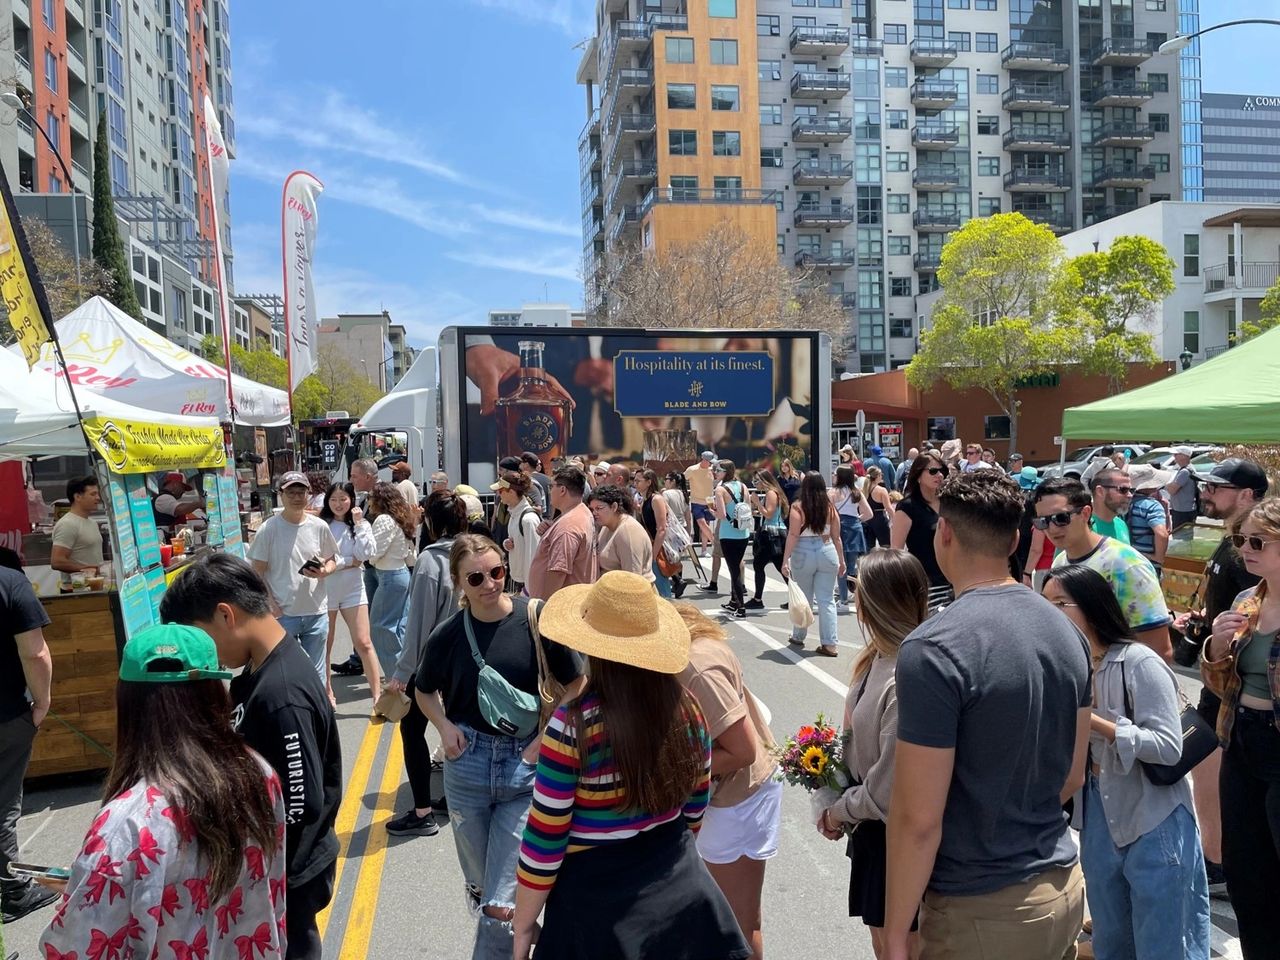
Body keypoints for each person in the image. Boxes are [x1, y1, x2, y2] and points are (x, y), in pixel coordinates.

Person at [883, 470, 1091, 960]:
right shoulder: (1066, 631)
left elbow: (917, 818)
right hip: (1062, 881)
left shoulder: (934, 647)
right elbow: (1073, 773)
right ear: (1016, 539)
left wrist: (895, 933)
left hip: (981, 904)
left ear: (945, 533)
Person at [513, 571, 750, 960]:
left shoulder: (572, 726)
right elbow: (693, 811)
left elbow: (545, 840)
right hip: (681, 889)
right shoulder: (687, 708)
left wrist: (523, 925)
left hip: (596, 907)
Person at [36, 623, 287, 960]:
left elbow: (73, 949)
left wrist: (90, 888)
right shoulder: (259, 772)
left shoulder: (126, 825)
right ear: (215, 692)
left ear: (127, 703)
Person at [159, 556, 342, 960]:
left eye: (200, 638)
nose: (203, 654)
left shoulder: (281, 694)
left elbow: (300, 803)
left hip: (289, 871)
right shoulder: (258, 670)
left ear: (225, 614)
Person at [414, 535, 585, 960]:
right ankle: (541, 941)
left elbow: (577, 682)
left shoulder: (534, 618)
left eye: (497, 572)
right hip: (467, 766)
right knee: (485, 887)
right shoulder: (448, 635)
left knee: (499, 904)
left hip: (524, 767)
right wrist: (444, 726)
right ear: (459, 584)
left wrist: (544, 741)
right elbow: (423, 690)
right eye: (476, 577)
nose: (490, 583)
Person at [1043, 565, 1210, 960]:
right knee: (1112, 940)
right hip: (1098, 814)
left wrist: (1095, 721)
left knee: (1167, 944)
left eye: (1060, 604)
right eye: (1044, 604)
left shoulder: (1138, 662)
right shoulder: (1069, 665)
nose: (1049, 613)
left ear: (1091, 607)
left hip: (1154, 817)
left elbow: (1169, 747)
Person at [819, 550, 928, 959]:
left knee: (901, 949)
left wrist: (837, 810)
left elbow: (889, 787)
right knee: (883, 946)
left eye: (857, 590)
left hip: (894, 835)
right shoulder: (877, 657)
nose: (853, 598)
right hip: (872, 831)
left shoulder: (905, 673)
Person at [1175, 458, 1268, 892]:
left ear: (1249, 495)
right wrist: (1204, 626)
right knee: (1209, 774)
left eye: (1218, 487)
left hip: (1238, 695)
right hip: (1219, 682)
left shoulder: (1254, 558)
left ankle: (1220, 863)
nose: (1207, 493)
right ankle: (1221, 860)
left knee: (1211, 773)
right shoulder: (1230, 542)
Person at [1201, 497, 1280, 958]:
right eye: (1239, 540)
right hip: (1241, 740)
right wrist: (1217, 645)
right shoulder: (1246, 601)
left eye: (1257, 541)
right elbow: (1220, 681)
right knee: (1247, 872)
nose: (1244, 550)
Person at [677, 603, 780, 960]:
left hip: (736, 799)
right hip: (724, 796)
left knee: (736, 922)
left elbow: (742, 751)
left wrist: (670, 771)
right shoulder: (691, 652)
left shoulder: (694, 666)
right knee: (727, 917)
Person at [386, 491, 469, 836]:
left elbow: (419, 624)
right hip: (468, 657)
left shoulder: (430, 561)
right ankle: (456, 797)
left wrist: (402, 673)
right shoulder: (472, 553)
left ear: (431, 522)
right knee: (461, 726)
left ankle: (422, 813)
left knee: (413, 731)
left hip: (433, 663)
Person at [1034, 478, 1173, 661]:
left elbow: (1159, 650)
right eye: (1042, 522)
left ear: (1085, 513)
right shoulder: (1060, 563)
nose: (1051, 529)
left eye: (1061, 518)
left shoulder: (1126, 565)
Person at [0, 567, 55, 924]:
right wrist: (42, 701)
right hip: (6, 714)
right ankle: (13, 889)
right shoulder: (9, 582)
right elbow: (34, 654)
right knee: (3, 801)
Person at [247, 471, 340, 678]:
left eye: (301, 492)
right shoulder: (268, 529)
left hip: (316, 611)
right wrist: (271, 604)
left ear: (309, 494)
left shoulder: (319, 527)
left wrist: (324, 571)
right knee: (285, 672)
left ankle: (317, 709)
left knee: (317, 672)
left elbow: (332, 559)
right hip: (283, 614)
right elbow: (257, 573)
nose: (297, 497)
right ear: (281, 494)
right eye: (291, 493)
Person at [319, 481, 381, 706]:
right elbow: (323, 558)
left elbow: (365, 554)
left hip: (353, 589)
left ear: (352, 500)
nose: (338, 504)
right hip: (325, 590)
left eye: (343, 499)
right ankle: (327, 691)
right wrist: (347, 561)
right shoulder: (320, 524)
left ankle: (377, 696)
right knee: (326, 643)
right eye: (333, 499)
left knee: (364, 642)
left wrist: (359, 523)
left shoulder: (360, 523)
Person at [782, 471, 846, 655]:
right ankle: (830, 644)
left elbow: (793, 534)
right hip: (827, 549)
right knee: (827, 600)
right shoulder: (830, 508)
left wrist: (785, 559)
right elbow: (837, 537)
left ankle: (799, 635)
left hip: (803, 550)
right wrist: (841, 560)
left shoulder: (798, 507)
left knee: (804, 597)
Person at [332, 457, 382, 678]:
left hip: (381, 568)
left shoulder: (382, 497)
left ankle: (394, 675)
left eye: (354, 475)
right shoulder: (362, 502)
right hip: (367, 571)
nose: (351, 479)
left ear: (368, 476)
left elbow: (366, 550)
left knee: (380, 625)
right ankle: (357, 660)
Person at [365, 481, 417, 677]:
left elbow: (374, 553)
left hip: (389, 576)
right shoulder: (399, 517)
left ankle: (398, 678)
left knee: (381, 628)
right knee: (400, 627)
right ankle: (408, 675)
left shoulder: (384, 520)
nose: (369, 501)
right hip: (400, 573)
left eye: (371, 497)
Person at [891, 450, 953, 610]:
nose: (939, 475)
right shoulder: (907, 507)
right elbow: (896, 551)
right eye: (933, 471)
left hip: (955, 581)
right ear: (918, 476)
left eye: (942, 471)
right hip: (926, 584)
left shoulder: (950, 503)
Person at [527, 466, 597, 600]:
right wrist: (550, 531)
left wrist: (545, 606)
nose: (550, 491)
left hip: (561, 606)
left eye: (551, 486)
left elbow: (558, 571)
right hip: (573, 600)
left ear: (563, 490)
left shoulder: (568, 526)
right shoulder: (580, 513)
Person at [587, 484, 654, 582]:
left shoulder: (628, 530)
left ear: (614, 507)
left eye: (599, 508)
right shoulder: (607, 526)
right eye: (592, 509)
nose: (594, 513)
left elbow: (633, 578)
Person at [712, 460, 753, 620]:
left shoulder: (720, 489)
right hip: (743, 533)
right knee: (736, 566)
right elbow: (748, 509)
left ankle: (741, 607)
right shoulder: (743, 487)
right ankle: (734, 602)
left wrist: (712, 511)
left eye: (718, 470)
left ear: (725, 472)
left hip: (728, 533)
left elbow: (721, 515)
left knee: (733, 570)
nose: (716, 472)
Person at [831, 465, 871, 611]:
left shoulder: (833, 492)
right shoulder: (856, 492)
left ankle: (843, 600)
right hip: (854, 528)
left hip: (839, 528)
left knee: (841, 565)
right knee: (852, 566)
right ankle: (861, 596)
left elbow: (828, 513)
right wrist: (857, 520)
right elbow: (869, 514)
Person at [747, 469, 789, 611]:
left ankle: (757, 599)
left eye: (757, 481)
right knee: (779, 566)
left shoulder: (771, 493)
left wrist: (757, 502)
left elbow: (769, 514)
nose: (755, 484)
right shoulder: (774, 492)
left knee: (759, 565)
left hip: (772, 533)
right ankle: (797, 596)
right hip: (775, 532)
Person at [494, 472, 541, 594]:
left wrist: (528, 591)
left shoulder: (528, 519)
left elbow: (533, 556)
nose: (498, 494)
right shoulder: (514, 514)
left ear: (511, 492)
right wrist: (507, 544)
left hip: (525, 586)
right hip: (516, 580)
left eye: (501, 491)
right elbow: (514, 541)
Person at [50, 475, 104, 575]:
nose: (98, 498)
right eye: (93, 494)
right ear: (78, 497)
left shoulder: (92, 522)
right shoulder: (67, 524)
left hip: (95, 584)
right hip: (76, 587)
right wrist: (85, 570)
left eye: (97, 494)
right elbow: (57, 561)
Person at [1127, 464, 1174, 574]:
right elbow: (1162, 534)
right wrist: (1158, 557)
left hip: (1130, 559)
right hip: (1148, 563)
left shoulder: (1126, 503)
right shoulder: (1152, 505)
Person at [636, 468, 674, 598]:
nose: (635, 483)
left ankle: (669, 614)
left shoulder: (656, 499)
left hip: (658, 548)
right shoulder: (645, 500)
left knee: (662, 587)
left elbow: (662, 529)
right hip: (652, 547)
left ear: (649, 482)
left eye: (638, 480)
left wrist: (653, 554)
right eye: (634, 480)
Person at [663, 471, 692, 598]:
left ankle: (677, 581)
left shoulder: (666, 494)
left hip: (671, 528)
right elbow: (688, 515)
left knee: (668, 556)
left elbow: (663, 512)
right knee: (678, 557)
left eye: (666, 478)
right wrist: (689, 532)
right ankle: (679, 581)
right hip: (682, 527)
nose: (665, 481)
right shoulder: (683, 494)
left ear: (673, 481)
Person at [1090, 468, 1133, 545]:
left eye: (1131, 490)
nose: (1130, 495)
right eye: (1123, 489)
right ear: (1100, 491)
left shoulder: (1121, 524)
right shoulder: (1079, 528)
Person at [1167, 446, 1199, 529]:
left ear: (1184, 456)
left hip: (1182, 511)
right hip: (1185, 509)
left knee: (1180, 537)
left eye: (1176, 454)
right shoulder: (1188, 469)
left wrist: (1166, 483)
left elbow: (1172, 490)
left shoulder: (1184, 472)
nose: (1174, 456)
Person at [863, 466, 895, 549]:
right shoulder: (881, 490)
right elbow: (888, 507)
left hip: (867, 519)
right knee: (886, 546)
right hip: (880, 518)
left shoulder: (863, 490)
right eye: (881, 475)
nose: (882, 476)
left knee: (869, 547)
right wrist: (895, 519)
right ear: (877, 476)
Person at [520, 452, 553, 517]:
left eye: (521, 462)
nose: (519, 465)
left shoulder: (525, 480)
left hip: (532, 517)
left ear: (526, 464)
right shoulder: (548, 479)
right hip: (547, 518)